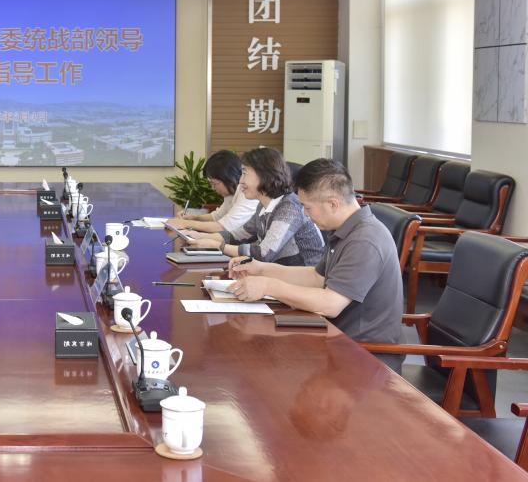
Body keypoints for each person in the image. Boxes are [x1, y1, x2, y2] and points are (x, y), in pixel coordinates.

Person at [228, 158, 404, 372]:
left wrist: (268, 286)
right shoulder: (348, 229)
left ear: (333, 203)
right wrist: (261, 269)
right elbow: (316, 278)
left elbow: (330, 304)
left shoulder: (365, 240)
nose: (305, 214)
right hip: (336, 339)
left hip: (364, 358)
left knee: (263, 361)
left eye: (307, 207)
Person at [181, 147, 323, 266]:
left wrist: (219, 246)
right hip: (278, 275)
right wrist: (199, 237)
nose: (240, 181)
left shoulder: (289, 207)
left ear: (265, 175)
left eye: (244, 173)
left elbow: (264, 253)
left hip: (303, 280)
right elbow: (239, 235)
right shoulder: (263, 206)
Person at [166, 149, 258, 233]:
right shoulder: (231, 193)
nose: (213, 188)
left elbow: (223, 227)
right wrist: (194, 218)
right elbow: (217, 216)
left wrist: (185, 224)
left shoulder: (247, 194)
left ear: (228, 177)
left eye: (214, 183)